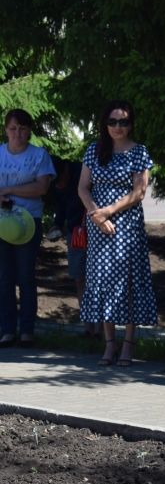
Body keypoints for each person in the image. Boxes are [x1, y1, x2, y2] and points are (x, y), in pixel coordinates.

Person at [78, 100, 158, 366]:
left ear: (130, 124)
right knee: (102, 281)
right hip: (99, 224)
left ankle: (128, 345)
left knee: (128, 282)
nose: (117, 127)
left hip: (126, 224)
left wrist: (108, 211)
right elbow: (83, 188)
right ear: (105, 124)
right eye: (113, 121)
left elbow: (139, 192)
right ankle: (109, 344)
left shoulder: (139, 152)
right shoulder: (94, 150)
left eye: (123, 121)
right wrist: (96, 215)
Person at [0, 109, 55, 347]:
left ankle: (27, 331)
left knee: (25, 276)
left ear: (29, 131)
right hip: (2, 223)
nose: (18, 134)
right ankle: (7, 330)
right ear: (6, 130)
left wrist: (9, 190)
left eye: (22, 129)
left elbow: (41, 188)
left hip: (28, 222)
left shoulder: (39, 155)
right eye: (13, 129)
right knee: (4, 278)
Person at [56, 157, 98, 336]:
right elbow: (60, 204)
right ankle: (88, 327)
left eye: (59, 181)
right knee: (80, 278)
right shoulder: (55, 178)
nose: (57, 185)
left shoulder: (83, 171)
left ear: (65, 170)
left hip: (96, 229)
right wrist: (57, 224)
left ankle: (100, 329)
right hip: (76, 233)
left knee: (98, 279)